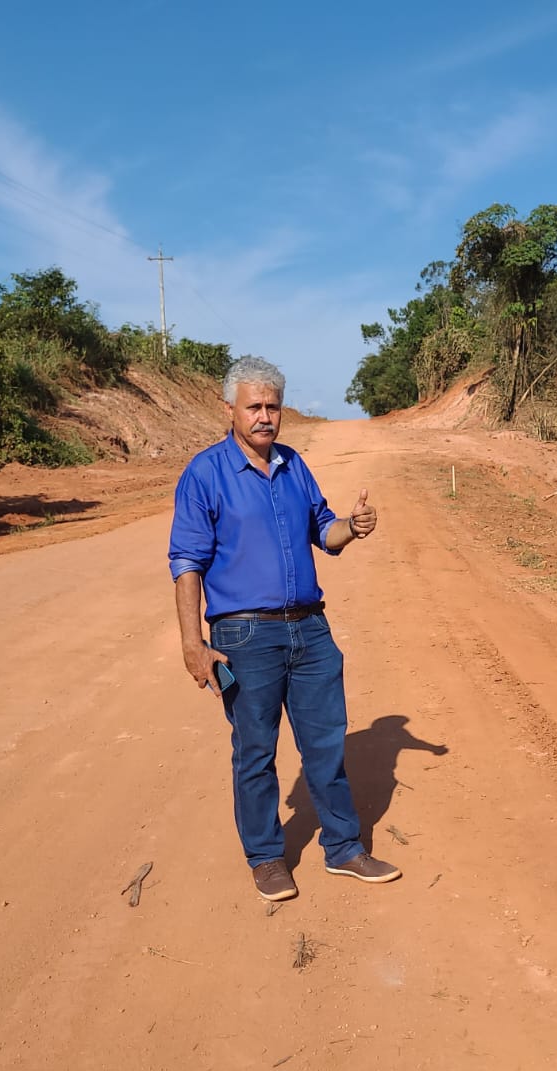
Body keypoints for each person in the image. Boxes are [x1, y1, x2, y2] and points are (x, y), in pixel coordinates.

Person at [168, 355, 400, 902]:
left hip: (310, 630)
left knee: (325, 744)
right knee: (255, 750)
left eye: (273, 406)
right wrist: (191, 643)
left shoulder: (295, 465)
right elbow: (186, 563)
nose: (265, 417)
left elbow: (325, 529)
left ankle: (344, 849)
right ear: (229, 410)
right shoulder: (206, 474)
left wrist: (353, 527)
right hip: (245, 637)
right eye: (254, 407)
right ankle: (267, 857)